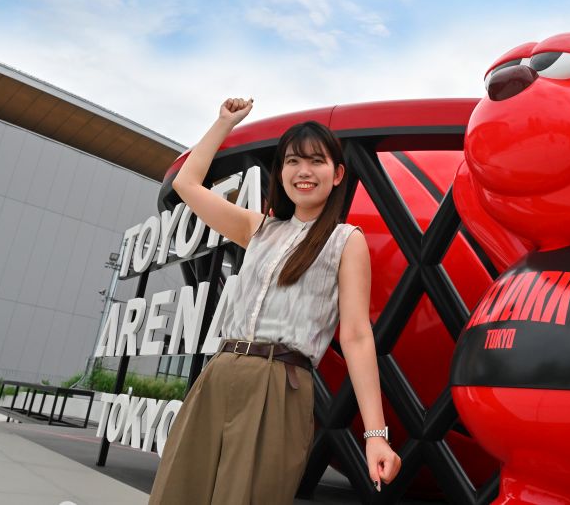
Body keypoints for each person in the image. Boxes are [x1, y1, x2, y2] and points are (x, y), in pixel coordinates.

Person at [149, 97, 401, 504]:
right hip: (220, 372)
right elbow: (186, 184)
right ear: (280, 173)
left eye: (316, 162)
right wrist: (224, 123)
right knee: (179, 492)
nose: (304, 172)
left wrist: (376, 437)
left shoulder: (345, 241)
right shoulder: (258, 228)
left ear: (337, 174)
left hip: (280, 381)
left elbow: (356, 337)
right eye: (292, 162)